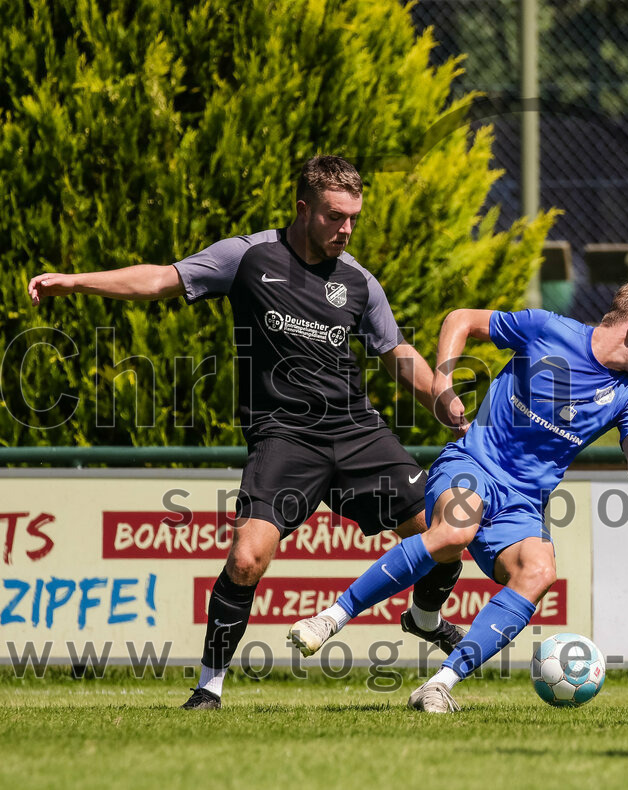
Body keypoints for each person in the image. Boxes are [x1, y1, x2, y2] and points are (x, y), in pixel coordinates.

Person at [28, 155, 471, 710]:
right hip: (285, 436)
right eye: (336, 216)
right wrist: (76, 282)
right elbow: (162, 280)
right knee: (246, 558)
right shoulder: (248, 256)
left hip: (358, 433)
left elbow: (395, 353)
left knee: (448, 531)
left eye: (354, 217)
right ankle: (209, 687)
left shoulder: (359, 282)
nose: (347, 228)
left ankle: (425, 619)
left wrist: (443, 398)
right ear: (303, 209)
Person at [287, 282, 628, 712]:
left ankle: (439, 684)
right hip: (472, 463)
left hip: (522, 502)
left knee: (539, 572)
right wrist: (443, 384)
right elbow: (461, 319)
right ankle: (330, 617)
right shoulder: (548, 329)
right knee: (453, 532)